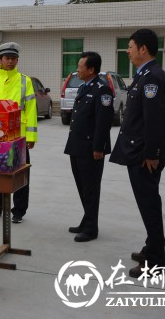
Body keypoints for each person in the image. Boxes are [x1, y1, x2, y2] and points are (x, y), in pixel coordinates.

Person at [110, 29, 165, 279]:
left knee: (149, 205)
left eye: (131, 46)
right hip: (139, 151)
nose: (128, 51)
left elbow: (155, 120)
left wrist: (152, 153)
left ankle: (155, 261)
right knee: (146, 204)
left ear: (143, 49)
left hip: (145, 155)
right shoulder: (144, 75)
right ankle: (152, 247)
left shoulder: (153, 77)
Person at [0, 42, 37, 223]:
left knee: (20, 173)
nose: (10, 62)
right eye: (7, 58)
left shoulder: (24, 81)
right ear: (0, 60)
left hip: (18, 135)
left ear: (17, 60)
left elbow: (31, 109)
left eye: (14, 58)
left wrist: (32, 136)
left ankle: (18, 211)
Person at [64, 52, 113, 243]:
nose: (77, 70)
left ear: (91, 69)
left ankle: (91, 228)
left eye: (80, 66)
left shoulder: (103, 90)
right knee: (82, 187)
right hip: (77, 146)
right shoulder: (85, 87)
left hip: (91, 148)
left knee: (91, 189)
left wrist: (99, 148)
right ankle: (87, 219)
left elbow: (103, 122)